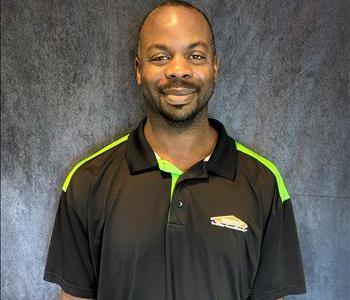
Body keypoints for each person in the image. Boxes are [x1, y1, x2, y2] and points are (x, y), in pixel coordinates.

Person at [43, 1, 306, 299]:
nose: (178, 70)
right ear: (138, 69)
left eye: (195, 56)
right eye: (160, 56)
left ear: (215, 67)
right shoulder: (86, 182)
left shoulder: (264, 184)